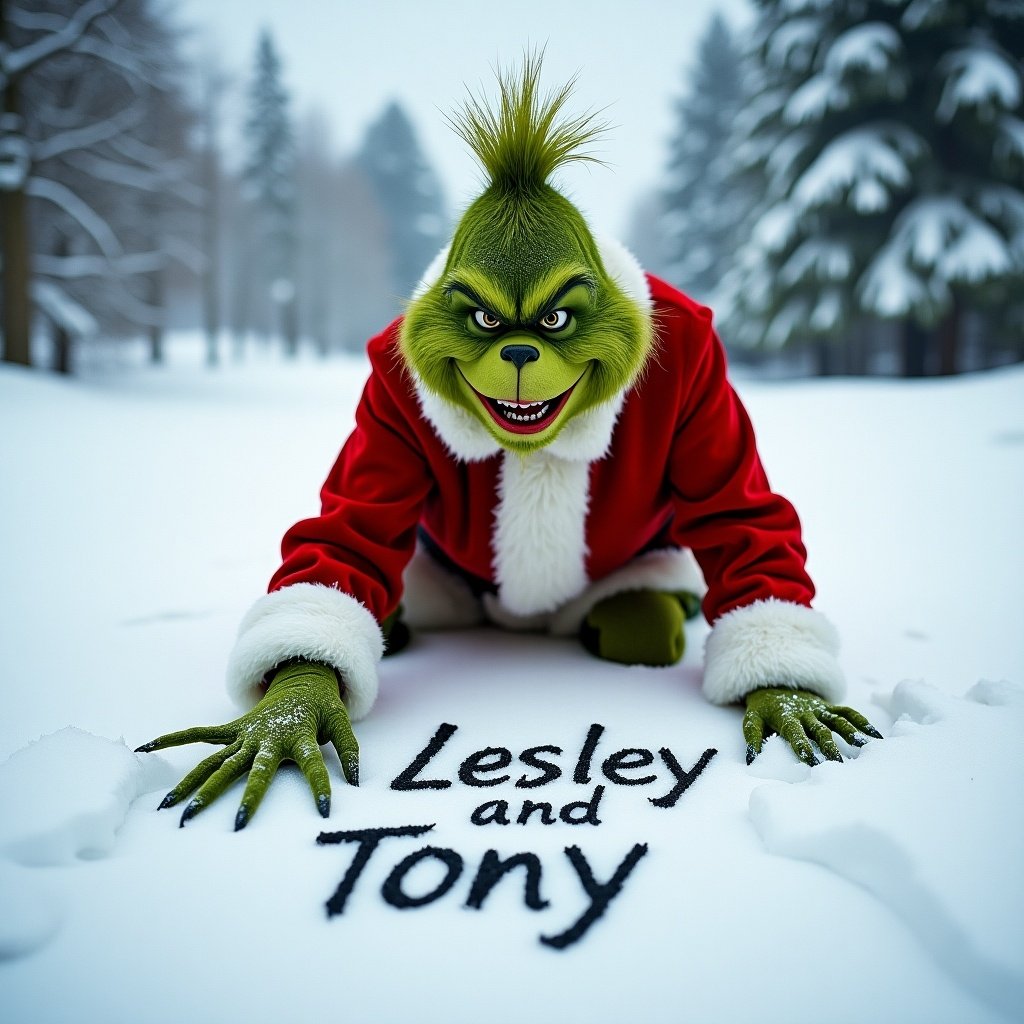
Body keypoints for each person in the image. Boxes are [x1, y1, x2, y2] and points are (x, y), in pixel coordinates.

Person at [137, 57, 881, 829]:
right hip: (454, 567)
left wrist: (777, 661)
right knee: (368, 603)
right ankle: (391, 611)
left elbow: (736, 509)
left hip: (614, 559)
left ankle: (635, 593)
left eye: (556, 322)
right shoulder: (406, 367)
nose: (520, 362)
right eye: (488, 323)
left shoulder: (676, 344)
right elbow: (355, 522)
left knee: (643, 635)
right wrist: (304, 664)